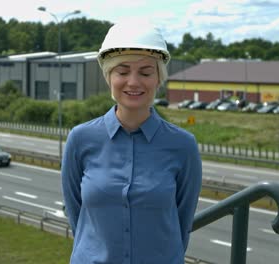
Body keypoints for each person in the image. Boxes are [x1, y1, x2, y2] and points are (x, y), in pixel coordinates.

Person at [61, 19, 202, 264]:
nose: (133, 82)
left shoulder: (183, 146)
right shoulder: (80, 139)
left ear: (159, 78)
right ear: (108, 77)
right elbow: (77, 216)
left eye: (146, 72)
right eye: (122, 71)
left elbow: (182, 221)